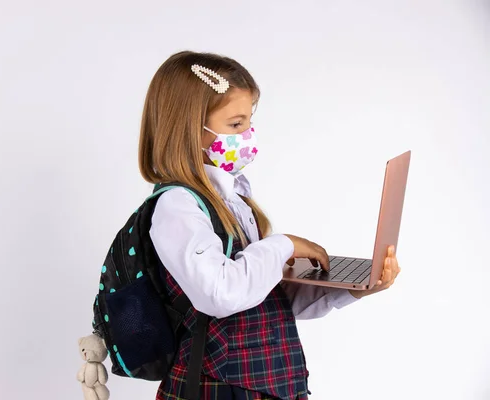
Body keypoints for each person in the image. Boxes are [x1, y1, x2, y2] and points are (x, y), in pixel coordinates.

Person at [137, 51, 401, 400]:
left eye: (248, 121)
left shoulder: (233, 200)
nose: (248, 133)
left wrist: (353, 287)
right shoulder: (177, 207)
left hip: (273, 384)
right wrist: (283, 245)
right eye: (235, 124)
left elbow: (264, 298)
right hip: (216, 388)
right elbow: (219, 293)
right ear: (190, 128)